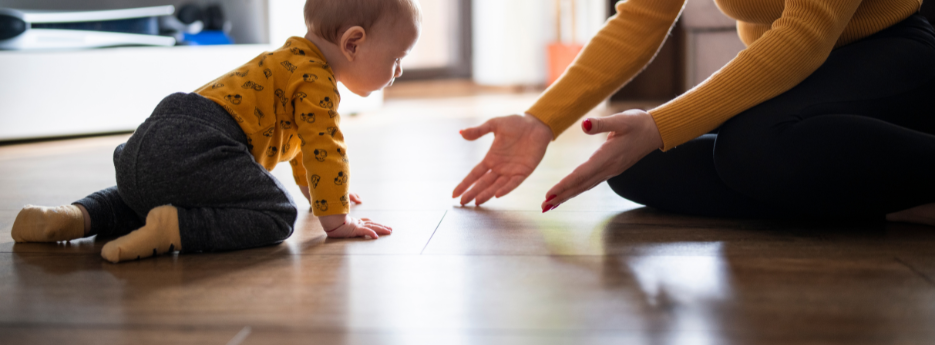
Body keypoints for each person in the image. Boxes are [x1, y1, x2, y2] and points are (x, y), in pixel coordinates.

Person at [454, 0, 935, 225]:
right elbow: (641, 19)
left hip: (891, 55)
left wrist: (660, 124)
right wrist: (542, 120)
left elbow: (806, 34)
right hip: (800, 83)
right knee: (634, 165)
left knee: (752, 147)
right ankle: (892, 196)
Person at [10, 0, 421, 263]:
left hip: (151, 138)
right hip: (202, 142)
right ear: (353, 43)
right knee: (278, 213)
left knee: (155, 187)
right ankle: (175, 229)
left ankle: (77, 216)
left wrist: (320, 193)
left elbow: (298, 145)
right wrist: (337, 220)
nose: (398, 70)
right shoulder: (316, 81)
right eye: (397, 57)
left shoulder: (287, 58)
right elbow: (323, 143)